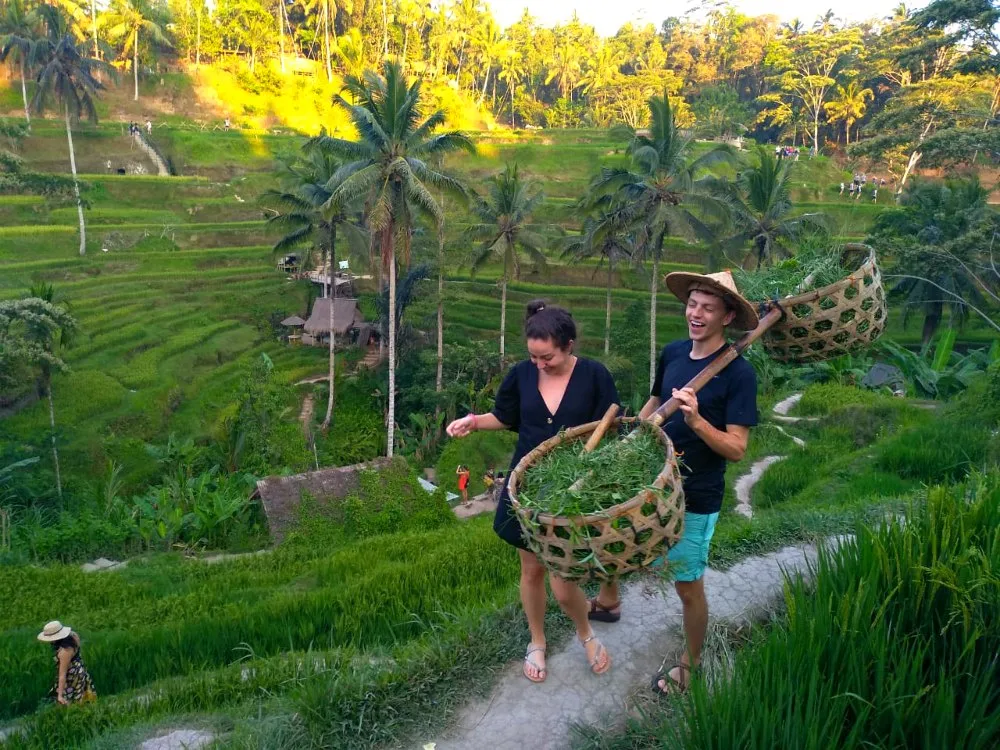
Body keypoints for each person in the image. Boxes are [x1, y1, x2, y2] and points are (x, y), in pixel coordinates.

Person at [588, 270, 759, 695]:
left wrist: (697, 421)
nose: (696, 314)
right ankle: (609, 602)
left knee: (686, 585)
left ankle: (692, 664)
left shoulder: (740, 375)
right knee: (615, 539)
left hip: (695, 494)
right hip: (650, 479)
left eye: (708, 307)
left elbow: (737, 448)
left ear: (727, 316)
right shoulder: (674, 353)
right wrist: (627, 444)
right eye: (693, 304)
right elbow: (652, 402)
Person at [446, 300, 619, 683]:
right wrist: (472, 422)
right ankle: (537, 641)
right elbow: (506, 418)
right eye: (533, 357)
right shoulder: (521, 375)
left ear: (569, 345)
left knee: (563, 578)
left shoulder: (594, 376)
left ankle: (585, 633)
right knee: (531, 569)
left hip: (574, 489)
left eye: (548, 357)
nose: (539, 365)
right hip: (525, 488)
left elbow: (611, 429)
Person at [37, 621, 96, 705]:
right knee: (80, 695)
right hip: (79, 669)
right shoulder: (73, 635)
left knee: (70, 699)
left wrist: (60, 696)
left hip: (71, 676)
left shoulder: (64, 652)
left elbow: (62, 675)